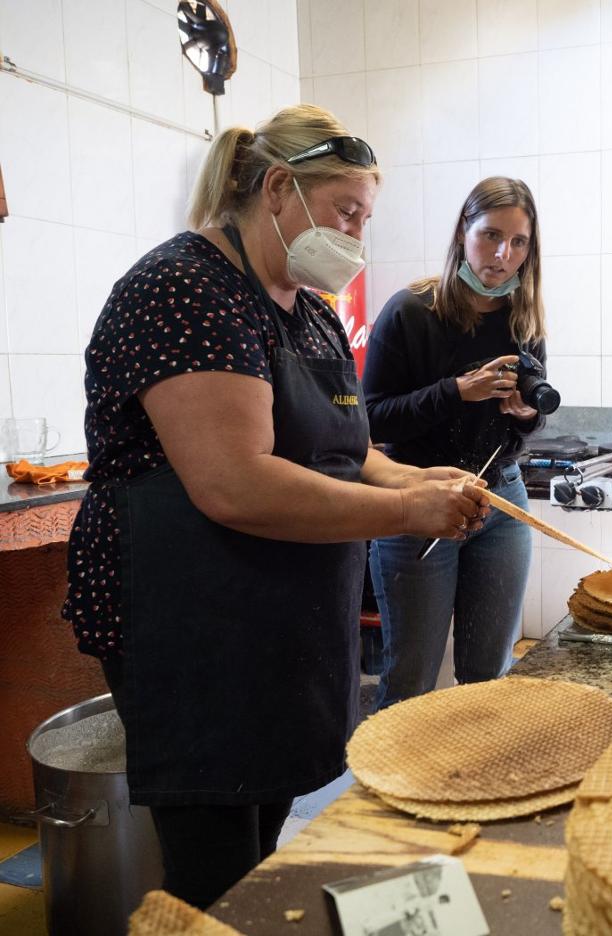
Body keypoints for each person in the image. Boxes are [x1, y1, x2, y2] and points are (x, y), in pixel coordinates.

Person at [63, 105, 491, 909]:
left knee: (260, 839)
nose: (357, 238)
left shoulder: (311, 310)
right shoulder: (184, 289)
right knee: (215, 864)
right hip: (190, 617)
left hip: (276, 610)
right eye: (347, 213)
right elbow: (235, 483)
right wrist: (404, 518)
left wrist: (411, 480)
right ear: (279, 189)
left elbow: (343, 447)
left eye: (367, 218)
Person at [364, 177, 548, 708]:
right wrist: (455, 393)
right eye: (490, 236)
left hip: (500, 497)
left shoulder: (524, 317)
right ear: (462, 233)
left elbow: (527, 421)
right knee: (412, 678)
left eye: (518, 243)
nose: (501, 255)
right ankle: (391, 790)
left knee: (489, 674)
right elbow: (372, 420)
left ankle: (479, 788)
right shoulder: (411, 312)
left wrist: (525, 412)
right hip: (418, 497)